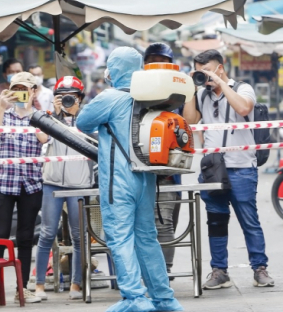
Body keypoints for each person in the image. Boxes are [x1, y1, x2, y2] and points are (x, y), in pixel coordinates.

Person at [77, 47, 183, 312]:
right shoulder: (151, 96)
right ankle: (164, 299)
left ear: (113, 70)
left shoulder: (109, 97)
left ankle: (135, 298)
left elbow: (82, 122)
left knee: (120, 237)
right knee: (147, 237)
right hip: (146, 178)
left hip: (118, 180)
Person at [183, 49, 274, 289]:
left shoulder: (243, 88)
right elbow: (190, 121)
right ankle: (219, 270)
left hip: (241, 166)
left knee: (249, 219)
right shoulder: (202, 95)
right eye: (199, 71)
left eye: (208, 71)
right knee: (216, 221)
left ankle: (260, 268)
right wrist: (191, 91)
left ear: (220, 68)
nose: (204, 76)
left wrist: (222, 83)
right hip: (212, 167)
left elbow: (244, 109)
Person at [0, 72, 49, 306]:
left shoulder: (40, 117)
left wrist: (31, 112)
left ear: (34, 91)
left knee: (26, 237)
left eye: (24, 89)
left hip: (31, 183)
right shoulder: (4, 116)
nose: (20, 93)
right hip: (3, 183)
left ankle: (22, 287)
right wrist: (1, 107)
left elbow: (43, 138)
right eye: (15, 88)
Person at [34, 76, 94, 301]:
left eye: (73, 96)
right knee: (47, 233)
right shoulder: (50, 118)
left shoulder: (88, 119)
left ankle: (76, 284)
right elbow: (41, 137)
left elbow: (94, 142)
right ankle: (39, 285)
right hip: (52, 183)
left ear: (80, 97)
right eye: (63, 96)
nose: (68, 100)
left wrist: (78, 115)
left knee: (79, 236)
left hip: (79, 184)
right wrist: (56, 115)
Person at [143, 42, 182, 280]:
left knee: (165, 223)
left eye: (162, 60)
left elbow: (189, 121)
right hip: (138, 169)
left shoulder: (180, 91)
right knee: (143, 226)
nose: (156, 64)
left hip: (168, 170)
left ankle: (164, 272)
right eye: (151, 60)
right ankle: (147, 272)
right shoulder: (136, 88)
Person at [0, 58, 23, 125]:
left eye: (18, 72)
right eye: (11, 72)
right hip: (3, 133)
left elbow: (37, 112)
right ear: (4, 74)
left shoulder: (30, 91)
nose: (15, 74)